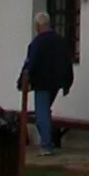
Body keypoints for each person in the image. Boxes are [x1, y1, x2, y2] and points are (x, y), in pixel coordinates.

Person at [17, 12, 73, 157]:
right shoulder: (60, 41)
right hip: (56, 82)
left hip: (42, 82)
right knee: (45, 111)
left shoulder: (37, 43)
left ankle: (46, 145)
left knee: (41, 114)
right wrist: (68, 83)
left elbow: (31, 63)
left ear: (37, 26)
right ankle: (48, 141)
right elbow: (68, 63)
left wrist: (21, 81)